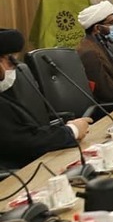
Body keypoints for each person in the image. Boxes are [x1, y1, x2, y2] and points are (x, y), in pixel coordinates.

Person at [0, 28, 92, 170]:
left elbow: (24, 132)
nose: (14, 69)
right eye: (11, 62)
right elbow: (24, 143)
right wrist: (71, 131)